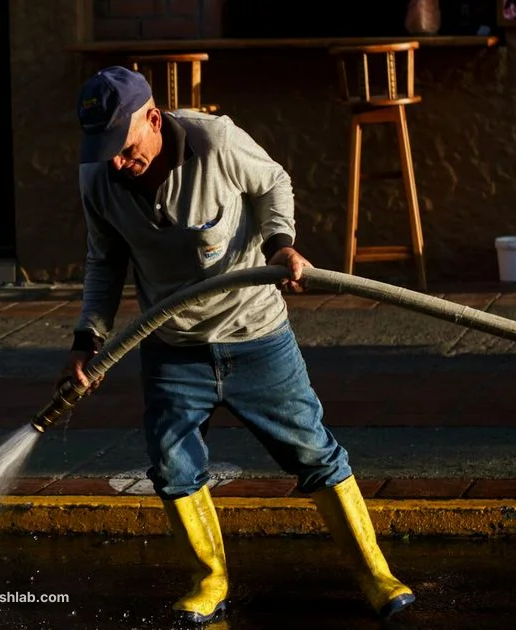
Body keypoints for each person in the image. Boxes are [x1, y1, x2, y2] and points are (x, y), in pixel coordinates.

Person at [63, 66, 414, 624]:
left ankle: (377, 574)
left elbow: (274, 183)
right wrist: (89, 337)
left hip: (257, 336)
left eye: (125, 148)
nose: (115, 163)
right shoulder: (97, 178)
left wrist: (280, 245)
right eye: (102, 150)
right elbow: (104, 261)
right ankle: (210, 582)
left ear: (154, 119)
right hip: (171, 345)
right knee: (173, 468)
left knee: (314, 454)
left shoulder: (216, 141)